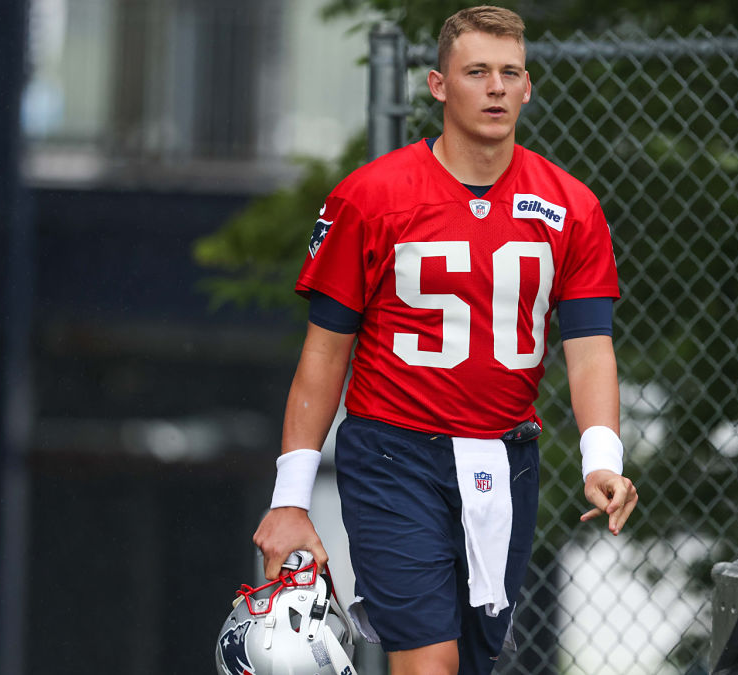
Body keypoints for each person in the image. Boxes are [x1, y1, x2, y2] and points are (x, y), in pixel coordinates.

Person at [251, 6, 639, 674]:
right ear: (437, 85)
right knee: (429, 659)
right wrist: (290, 498)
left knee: (472, 662)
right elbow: (325, 352)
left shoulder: (571, 205)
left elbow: (588, 347)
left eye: (509, 72)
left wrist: (601, 456)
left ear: (528, 87)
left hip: (506, 458)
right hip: (394, 453)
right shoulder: (370, 197)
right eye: (477, 71)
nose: (495, 87)